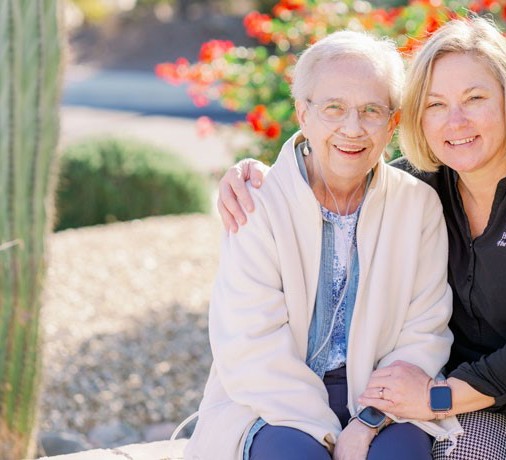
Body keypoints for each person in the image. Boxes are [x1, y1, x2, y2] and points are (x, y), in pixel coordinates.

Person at [217, 18, 506, 460]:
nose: (455, 121)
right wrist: (258, 177)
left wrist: (435, 398)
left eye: (474, 98)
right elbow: (343, 169)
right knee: (456, 452)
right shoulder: (429, 183)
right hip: (489, 397)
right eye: (436, 104)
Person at [185, 30, 464, 460]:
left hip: (381, 401)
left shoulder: (418, 205)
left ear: (392, 122)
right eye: (334, 108)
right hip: (272, 401)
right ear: (303, 114)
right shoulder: (255, 201)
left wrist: (367, 421)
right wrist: (329, 434)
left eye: (372, 110)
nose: (352, 129)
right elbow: (250, 344)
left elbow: (423, 331)